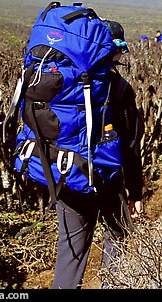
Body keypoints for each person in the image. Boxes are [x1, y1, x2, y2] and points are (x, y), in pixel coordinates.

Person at [51, 20, 144, 289]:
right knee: (118, 237)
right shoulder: (118, 87)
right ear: (112, 50)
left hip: (66, 179)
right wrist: (135, 191)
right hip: (106, 180)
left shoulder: (63, 82)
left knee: (70, 256)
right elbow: (130, 144)